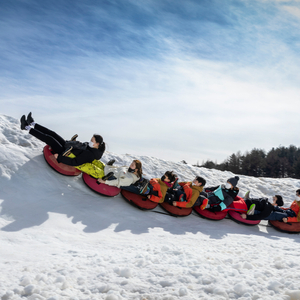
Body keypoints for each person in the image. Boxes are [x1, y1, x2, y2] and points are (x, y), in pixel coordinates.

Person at [20, 113, 105, 167]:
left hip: (64, 153)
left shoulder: (90, 155)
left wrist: (60, 157)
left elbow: (75, 162)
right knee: (53, 133)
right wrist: (74, 142)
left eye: (92, 141)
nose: (90, 141)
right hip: (67, 146)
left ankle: (26, 127)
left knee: (50, 139)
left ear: (96, 144)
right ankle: (32, 123)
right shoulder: (90, 147)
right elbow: (79, 149)